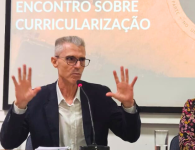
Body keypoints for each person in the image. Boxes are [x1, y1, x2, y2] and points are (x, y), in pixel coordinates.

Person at [0, 36, 141, 150]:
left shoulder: (99, 96)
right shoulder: (38, 98)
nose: (78, 66)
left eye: (82, 60)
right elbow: (8, 143)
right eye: (70, 59)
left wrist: (128, 105)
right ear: (54, 62)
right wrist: (19, 106)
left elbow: (130, 136)